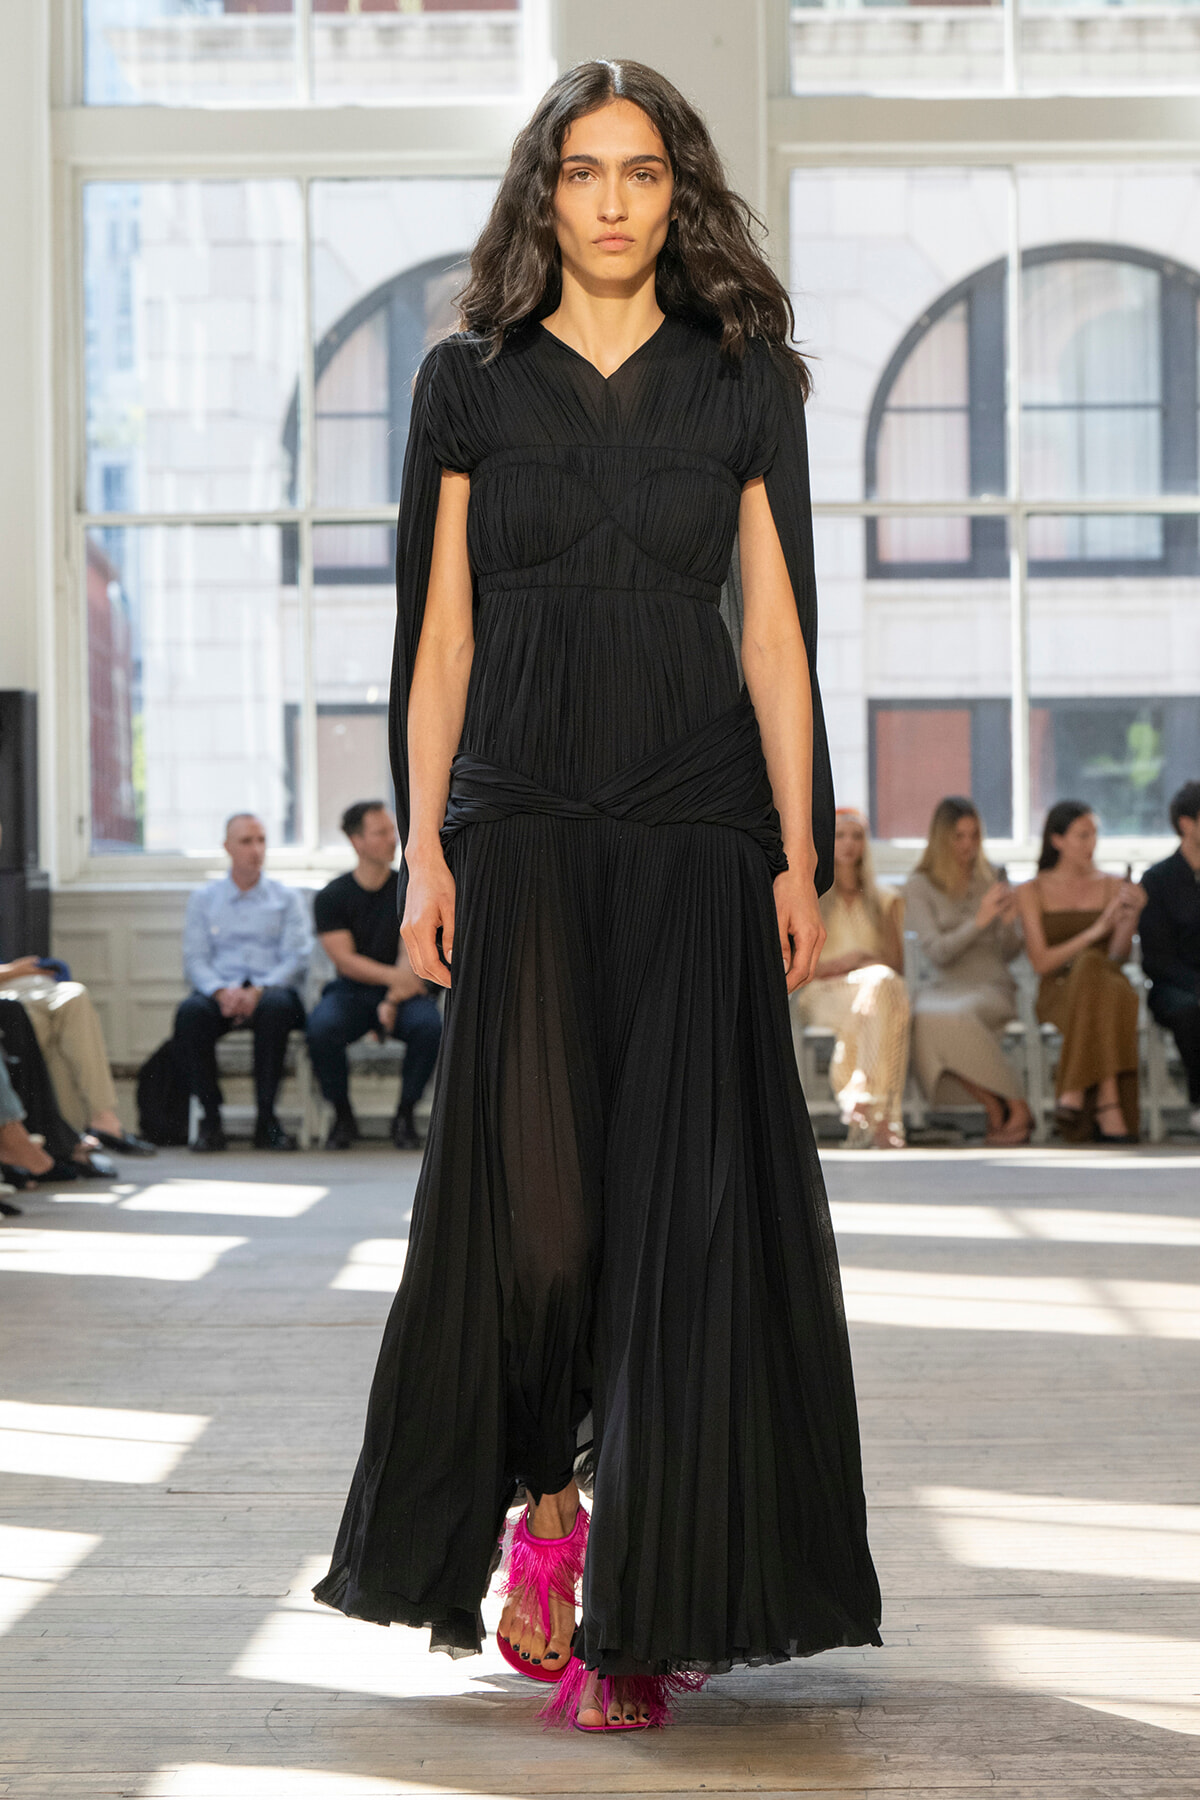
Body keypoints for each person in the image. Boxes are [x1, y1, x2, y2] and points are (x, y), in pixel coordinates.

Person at [312, 61, 881, 1734]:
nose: (616, 200)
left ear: (677, 191)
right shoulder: (467, 384)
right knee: (546, 1214)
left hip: (701, 827)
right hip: (526, 829)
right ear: (543, 194)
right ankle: (548, 1509)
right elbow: (439, 645)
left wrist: (802, 849)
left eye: (643, 171)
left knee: (689, 1218)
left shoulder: (742, 378)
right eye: (584, 171)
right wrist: (424, 850)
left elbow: (777, 634)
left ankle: (653, 1601)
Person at [307, 800, 443, 1150]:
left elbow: (409, 953)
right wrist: (392, 988)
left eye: (390, 831)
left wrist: (393, 999)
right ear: (357, 842)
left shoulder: (408, 889)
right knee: (322, 1028)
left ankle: (405, 1116)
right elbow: (347, 962)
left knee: (430, 1027)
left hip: (406, 989)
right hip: (352, 991)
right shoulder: (332, 896)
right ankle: (342, 1115)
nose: (391, 839)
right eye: (380, 832)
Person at [174, 813, 312, 1153]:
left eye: (261, 840)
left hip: (271, 991)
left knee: (278, 1008)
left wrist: (259, 990)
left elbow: (297, 958)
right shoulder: (204, 900)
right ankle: (211, 1119)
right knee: (190, 1014)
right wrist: (221, 992)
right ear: (227, 847)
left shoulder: (286, 898)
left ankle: (267, 1118)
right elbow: (195, 959)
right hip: (221, 990)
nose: (256, 849)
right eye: (247, 841)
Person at [904, 797, 1033, 1147]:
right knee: (924, 1017)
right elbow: (938, 953)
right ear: (941, 839)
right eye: (959, 837)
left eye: (974, 836)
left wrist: (1008, 925)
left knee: (955, 1017)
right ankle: (999, 1104)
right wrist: (980, 921)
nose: (968, 846)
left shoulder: (992, 878)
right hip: (945, 983)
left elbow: (1010, 952)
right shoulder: (919, 886)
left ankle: (1016, 1108)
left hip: (991, 984)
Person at [1017, 801, 1144, 1143]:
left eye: (1094, 835)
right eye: (1081, 835)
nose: (1091, 844)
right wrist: (1094, 931)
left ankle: (1075, 1091)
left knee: (1098, 970)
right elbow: (1041, 962)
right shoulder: (1031, 890)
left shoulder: (1114, 885)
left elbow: (1117, 956)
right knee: (1091, 965)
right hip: (1058, 989)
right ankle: (1108, 1100)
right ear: (1056, 840)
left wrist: (1130, 917)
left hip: (1107, 983)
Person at [792, 807, 909, 1148]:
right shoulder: (809, 896)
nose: (848, 844)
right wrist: (851, 962)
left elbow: (896, 963)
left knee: (885, 989)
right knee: (890, 997)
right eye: (840, 835)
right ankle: (885, 1120)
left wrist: (864, 963)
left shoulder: (886, 900)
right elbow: (799, 963)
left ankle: (862, 1093)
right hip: (820, 992)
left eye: (856, 836)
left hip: (873, 993)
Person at [0, 957, 154, 1155]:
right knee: (46, 1031)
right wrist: (14, 970)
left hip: (17, 985)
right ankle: (68, 1143)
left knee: (74, 996)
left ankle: (101, 1117)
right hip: (9, 986)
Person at [1139, 779, 1200, 1135]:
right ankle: (1198, 1100)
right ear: (1186, 824)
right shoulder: (1158, 879)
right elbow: (1156, 956)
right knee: (1191, 1012)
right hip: (1174, 984)